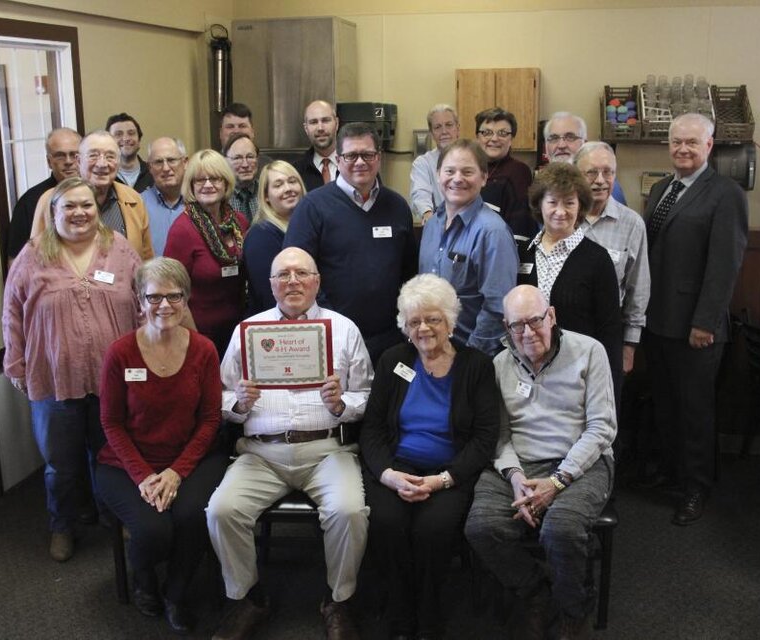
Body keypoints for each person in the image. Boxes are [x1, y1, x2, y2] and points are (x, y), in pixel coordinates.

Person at [207, 247, 372, 640]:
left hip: (327, 449)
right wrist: (239, 404)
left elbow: (367, 392)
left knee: (349, 512)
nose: (293, 281)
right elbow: (221, 394)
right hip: (262, 453)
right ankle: (249, 598)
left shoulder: (343, 329)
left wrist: (342, 403)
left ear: (317, 281)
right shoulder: (249, 331)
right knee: (221, 511)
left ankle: (338, 599)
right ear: (270, 284)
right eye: (283, 275)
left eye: (302, 273)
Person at [465, 285, 616, 640]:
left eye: (535, 321)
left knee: (560, 530)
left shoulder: (590, 352)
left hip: (581, 460)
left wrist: (558, 481)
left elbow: (601, 428)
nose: (528, 333)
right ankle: (536, 591)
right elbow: (498, 436)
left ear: (552, 316)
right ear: (506, 327)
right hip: (519, 462)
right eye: (518, 326)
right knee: (481, 527)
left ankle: (572, 608)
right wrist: (516, 476)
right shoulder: (499, 364)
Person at [3, 177, 142, 563]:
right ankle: (61, 526)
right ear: (53, 212)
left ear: (97, 211)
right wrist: (14, 362)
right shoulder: (33, 255)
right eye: (69, 206)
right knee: (60, 465)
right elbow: (12, 312)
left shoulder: (120, 251)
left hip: (112, 378)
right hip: (52, 377)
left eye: (87, 206)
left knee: (113, 455)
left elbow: (144, 301)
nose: (79, 213)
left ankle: (116, 518)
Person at [360, 273, 499, 640]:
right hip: (397, 465)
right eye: (415, 321)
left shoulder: (477, 366)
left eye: (433, 319)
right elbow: (372, 429)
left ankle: (430, 616)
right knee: (388, 522)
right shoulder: (393, 360)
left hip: (450, 470)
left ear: (450, 320)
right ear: (405, 326)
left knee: (432, 530)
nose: (424, 328)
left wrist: (443, 480)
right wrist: (388, 474)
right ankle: (399, 612)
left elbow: (485, 439)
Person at [96, 257, 227, 634]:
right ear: (139, 300)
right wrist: (144, 476)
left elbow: (209, 421)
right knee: (154, 531)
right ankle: (144, 579)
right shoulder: (120, 353)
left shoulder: (203, 350)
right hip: (126, 464)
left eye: (174, 296)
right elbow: (111, 423)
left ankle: (176, 591)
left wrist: (174, 472)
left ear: (186, 300)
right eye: (154, 297)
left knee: (192, 516)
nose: (164, 305)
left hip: (192, 458)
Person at [642, 113, 748, 525]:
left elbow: (725, 266)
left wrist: (705, 322)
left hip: (696, 328)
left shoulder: (726, 194)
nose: (682, 149)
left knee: (695, 411)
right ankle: (674, 474)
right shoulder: (660, 189)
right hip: (658, 321)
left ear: (709, 146)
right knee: (667, 406)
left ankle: (696, 487)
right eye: (676, 142)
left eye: (692, 142)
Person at [284, 121, 418, 365]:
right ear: (338, 158)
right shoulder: (313, 207)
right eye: (351, 155)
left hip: (389, 338)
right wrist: (329, 321)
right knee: (339, 402)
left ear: (379, 157)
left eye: (367, 154)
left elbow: (409, 271)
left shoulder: (397, 206)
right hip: (333, 336)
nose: (360, 162)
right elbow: (297, 274)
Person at [517, 162, 623, 399]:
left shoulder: (597, 259)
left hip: (578, 377)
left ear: (581, 206)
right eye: (552, 202)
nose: (560, 211)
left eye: (569, 203)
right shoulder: (523, 253)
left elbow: (610, 330)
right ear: (539, 205)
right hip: (527, 376)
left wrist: (610, 391)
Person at [418, 139, 517, 356]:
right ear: (438, 175)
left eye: (467, 172)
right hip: (433, 352)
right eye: (450, 171)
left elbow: (497, 308)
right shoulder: (432, 225)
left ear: (484, 177)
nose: (457, 179)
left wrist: (470, 358)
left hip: (471, 356)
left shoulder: (493, 232)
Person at [163, 149, 248, 358]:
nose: (208, 185)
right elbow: (172, 291)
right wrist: (197, 342)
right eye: (200, 180)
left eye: (215, 178)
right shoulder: (182, 229)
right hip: (198, 336)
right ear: (191, 185)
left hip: (238, 332)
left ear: (226, 182)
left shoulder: (239, 222)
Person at [574, 142, 649, 374]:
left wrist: (629, 346)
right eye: (591, 172)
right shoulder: (562, 219)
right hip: (566, 333)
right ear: (576, 176)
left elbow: (639, 289)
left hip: (608, 334)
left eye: (608, 172)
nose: (600, 180)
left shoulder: (632, 224)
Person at [30, 130, 154, 260]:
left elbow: (145, 260)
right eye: (93, 156)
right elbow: (35, 258)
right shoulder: (50, 200)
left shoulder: (133, 199)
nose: (102, 164)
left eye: (110, 156)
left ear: (118, 162)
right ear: (78, 161)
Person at [7, 127, 81, 261]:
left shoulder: (97, 192)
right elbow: (16, 260)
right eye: (60, 155)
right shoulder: (30, 201)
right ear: (49, 161)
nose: (69, 161)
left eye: (74, 155)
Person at [243, 160, 306, 315]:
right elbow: (269, 296)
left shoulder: (306, 228)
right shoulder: (260, 236)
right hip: (277, 327)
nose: (288, 189)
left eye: (292, 181)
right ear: (266, 197)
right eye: (278, 185)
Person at [474, 107, 538, 238]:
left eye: (502, 133)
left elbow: (521, 228)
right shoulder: (471, 169)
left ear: (512, 138)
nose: (494, 138)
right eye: (487, 132)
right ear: (477, 136)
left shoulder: (518, 172)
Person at [543, 112, 627, 205]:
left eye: (570, 137)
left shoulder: (603, 185)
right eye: (554, 138)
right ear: (546, 147)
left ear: (585, 144)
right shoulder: (543, 185)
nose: (561, 145)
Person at [410, 104, 459, 223]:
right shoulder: (423, 163)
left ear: (457, 128)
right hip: (439, 223)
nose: (444, 131)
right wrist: (428, 215)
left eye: (449, 125)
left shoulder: (471, 158)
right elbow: (420, 193)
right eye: (437, 127)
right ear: (431, 133)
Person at [141, 137, 188, 257]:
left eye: (171, 160)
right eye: (158, 162)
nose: (166, 168)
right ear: (150, 168)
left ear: (185, 162)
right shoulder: (138, 205)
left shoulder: (201, 202)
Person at [294, 100, 340, 191]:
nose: (320, 128)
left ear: (337, 123)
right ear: (306, 128)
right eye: (314, 122)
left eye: (326, 120)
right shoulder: (295, 172)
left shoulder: (354, 165)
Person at [107, 112, 154, 192]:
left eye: (131, 133)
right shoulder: (104, 176)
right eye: (118, 134)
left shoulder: (153, 172)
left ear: (139, 140)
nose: (126, 138)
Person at [223, 133, 260, 223]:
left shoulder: (268, 193)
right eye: (237, 158)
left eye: (250, 157)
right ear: (225, 161)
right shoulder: (220, 197)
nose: (245, 164)